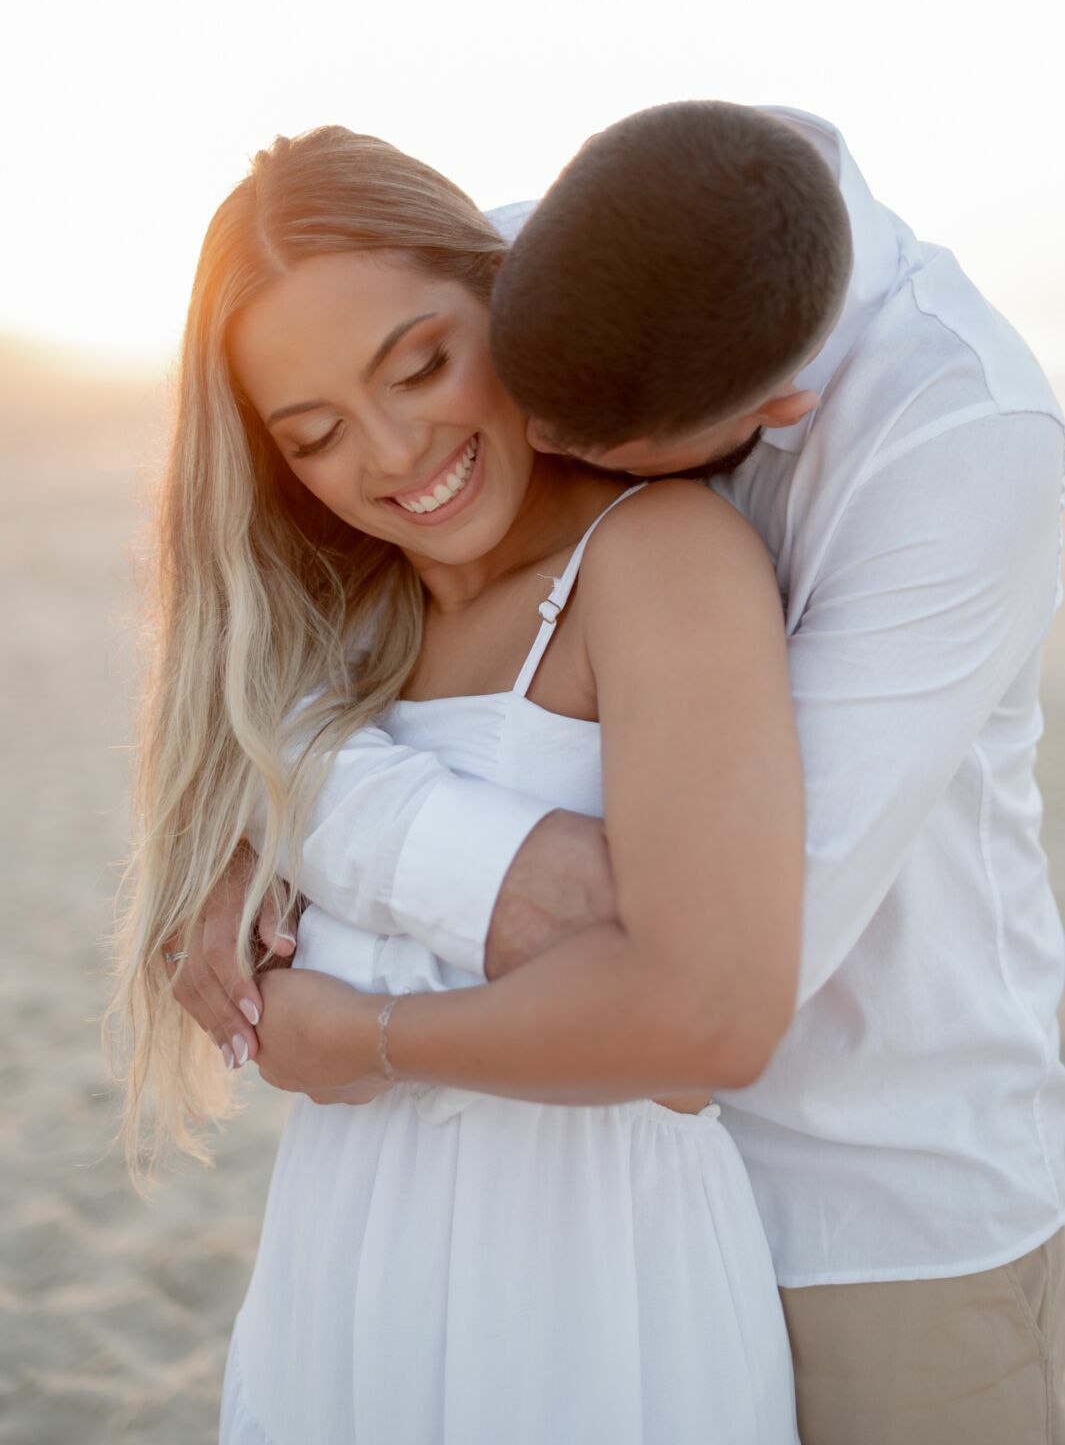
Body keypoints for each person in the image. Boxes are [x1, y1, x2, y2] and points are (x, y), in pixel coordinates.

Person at [175, 101, 1065, 1443]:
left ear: (775, 413)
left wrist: (315, 815)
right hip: (444, 1215)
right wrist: (246, 825)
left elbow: (705, 983)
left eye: (605, 450)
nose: (538, 450)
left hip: (874, 1210)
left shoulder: (958, 445)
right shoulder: (547, 267)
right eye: (319, 434)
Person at [107, 125, 807, 1442]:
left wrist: (365, 1040)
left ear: (500, 294)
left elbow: (710, 1020)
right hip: (343, 1258)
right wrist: (240, 838)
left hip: (591, 1281)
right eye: (314, 435)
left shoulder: (656, 557)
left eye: (420, 365)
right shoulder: (337, 629)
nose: (389, 454)